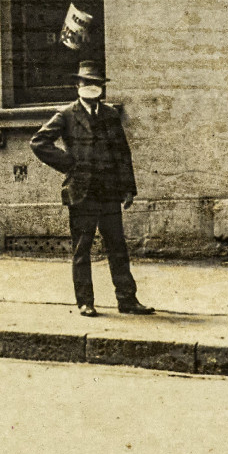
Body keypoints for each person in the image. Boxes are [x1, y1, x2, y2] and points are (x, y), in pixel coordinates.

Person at [30, 61, 153, 318]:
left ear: (101, 88)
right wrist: (69, 164)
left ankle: (127, 299)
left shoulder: (109, 114)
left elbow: (122, 153)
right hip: (82, 192)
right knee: (82, 249)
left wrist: (128, 188)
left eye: (96, 83)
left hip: (108, 192)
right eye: (86, 83)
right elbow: (39, 142)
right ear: (77, 85)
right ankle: (85, 301)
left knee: (118, 247)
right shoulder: (66, 114)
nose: (91, 87)